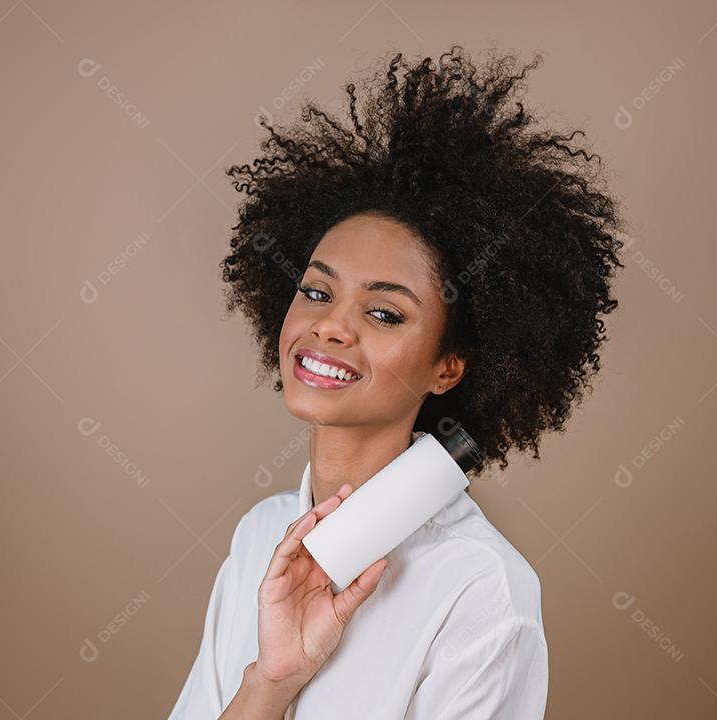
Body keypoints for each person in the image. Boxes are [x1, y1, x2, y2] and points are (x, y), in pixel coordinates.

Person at [168, 44, 625, 719]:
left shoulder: (479, 590)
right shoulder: (259, 539)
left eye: (384, 312)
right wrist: (271, 682)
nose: (331, 327)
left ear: (450, 364)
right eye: (317, 293)